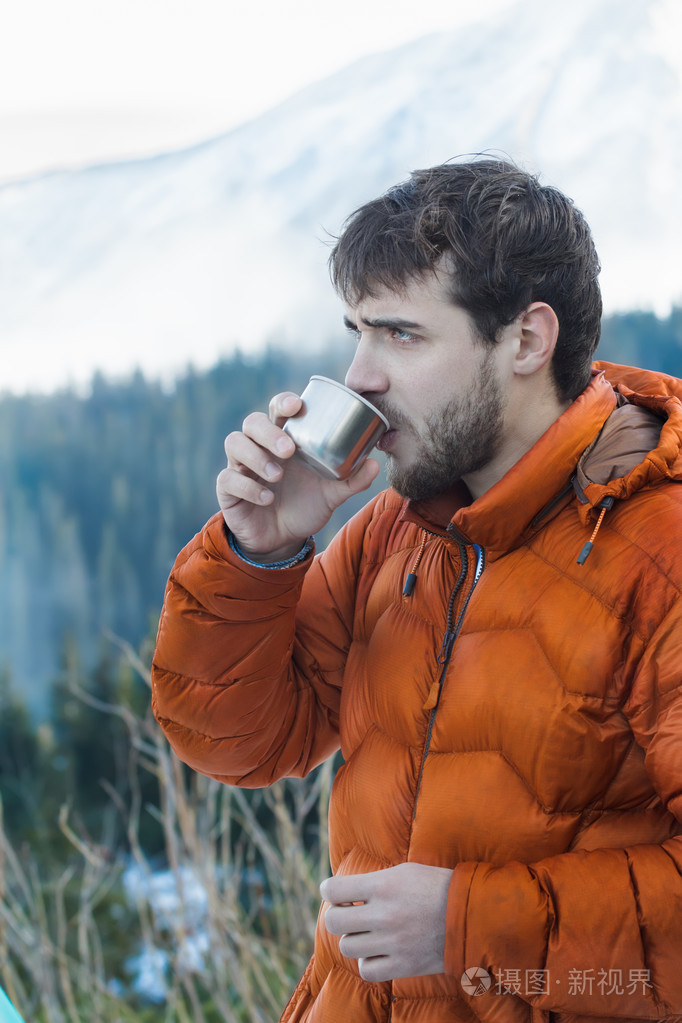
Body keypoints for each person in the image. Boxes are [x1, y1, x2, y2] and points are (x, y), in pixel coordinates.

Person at [151, 157, 682, 1023]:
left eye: (400, 335)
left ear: (526, 340)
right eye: (357, 329)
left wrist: (470, 922)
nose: (359, 374)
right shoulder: (397, 529)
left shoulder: (660, 555)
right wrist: (262, 552)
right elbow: (239, 747)